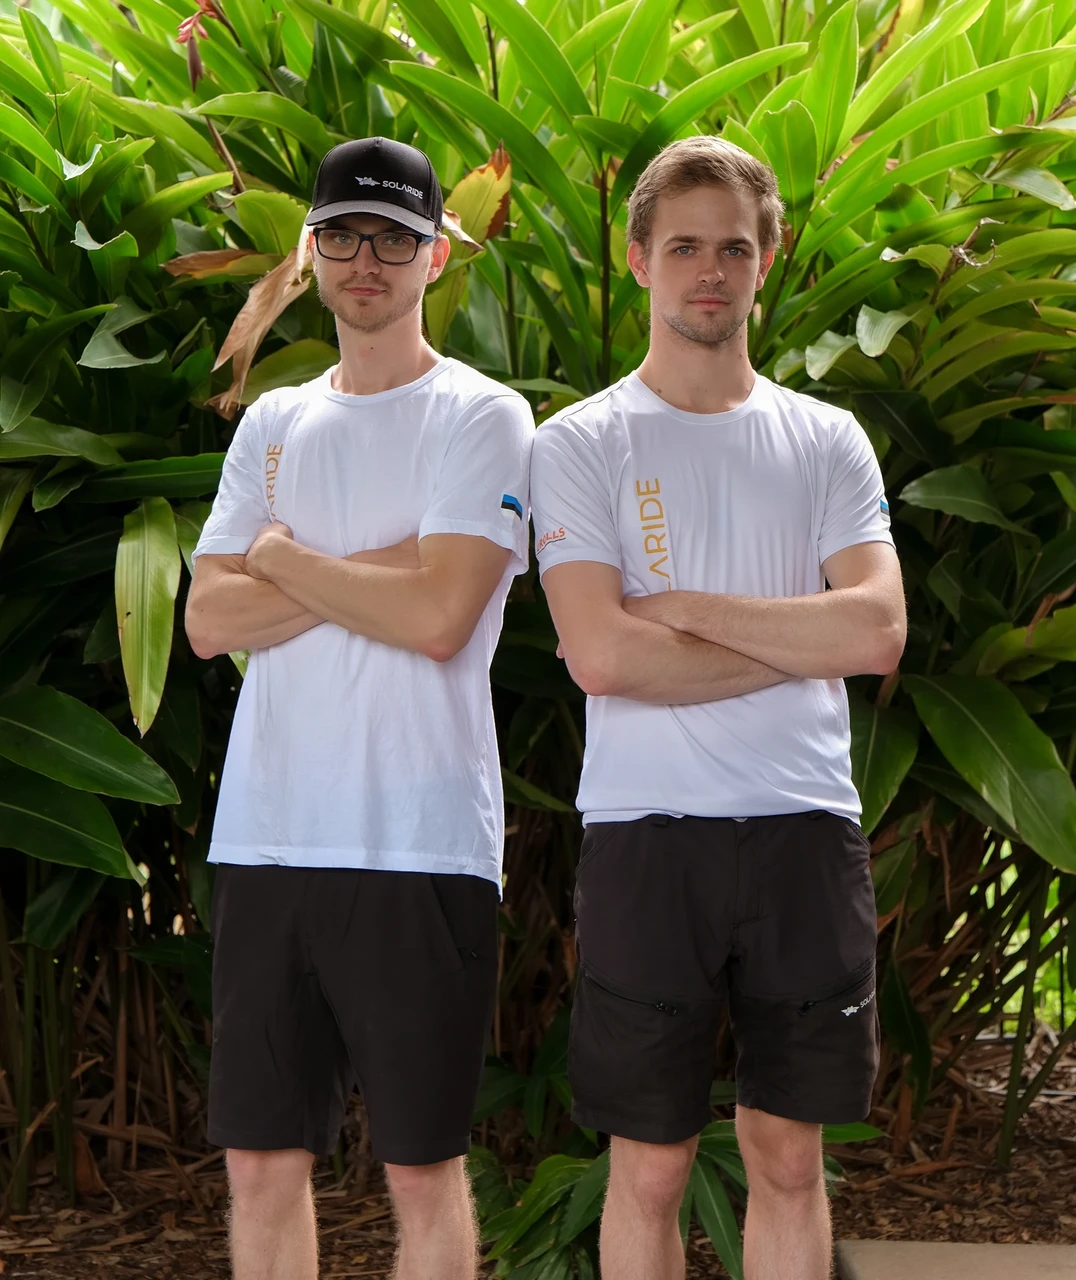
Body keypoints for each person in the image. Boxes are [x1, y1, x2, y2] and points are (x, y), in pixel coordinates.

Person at [529, 137, 906, 1280]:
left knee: (789, 1157)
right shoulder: (579, 441)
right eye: (684, 246)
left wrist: (687, 609)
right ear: (637, 256)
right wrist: (797, 639)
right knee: (648, 1166)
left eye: (732, 248)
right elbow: (601, 654)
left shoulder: (824, 439)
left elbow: (875, 631)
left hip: (804, 828)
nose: (709, 270)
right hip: (647, 833)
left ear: (766, 257)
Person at [185, 136, 534, 1280]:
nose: (365, 258)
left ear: (436, 255)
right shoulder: (273, 422)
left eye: (393, 237)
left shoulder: (482, 414)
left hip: (416, 842)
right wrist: (378, 564)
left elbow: (438, 615)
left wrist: (282, 557)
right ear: (310, 251)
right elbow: (206, 620)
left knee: (421, 1169)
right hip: (268, 836)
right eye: (341, 234)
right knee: (258, 1163)